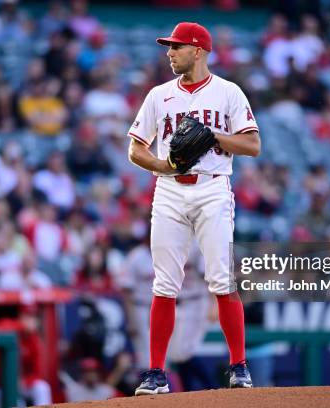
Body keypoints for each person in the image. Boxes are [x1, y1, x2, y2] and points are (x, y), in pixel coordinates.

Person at [127, 22, 260, 395]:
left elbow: (253, 145)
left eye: (176, 47)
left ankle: (239, 367)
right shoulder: (158, 95)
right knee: (164, 283)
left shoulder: (228, 93)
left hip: (213, 189)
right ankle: (155, 373)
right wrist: (161, 166)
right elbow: (135, 147)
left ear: (197, 50)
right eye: (169, 47)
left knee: (221, 279)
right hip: (169, 190)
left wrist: (213, 136)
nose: (169, 52)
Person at [0, 304, 52, 407]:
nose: (31, 320)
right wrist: (22, 326)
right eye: (27, 316)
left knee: (42, 387)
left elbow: (38, 373)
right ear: (20, 316)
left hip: (15, 384)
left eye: (33, 317)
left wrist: (24, 382)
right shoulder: (8, 325)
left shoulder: (34, 341)